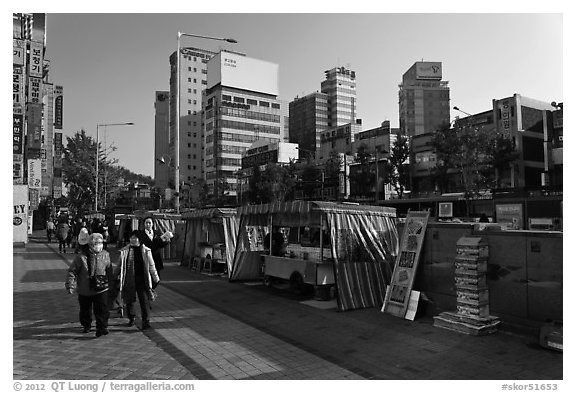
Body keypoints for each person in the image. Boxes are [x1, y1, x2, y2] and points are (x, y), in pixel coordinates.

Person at [65, 233, 114, 337]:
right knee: (85, 310)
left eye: (101, 243)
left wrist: (112, 284)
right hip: (85, 289)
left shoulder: (105, 255)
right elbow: (72, 271)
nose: (99, 245)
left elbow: (109, 270)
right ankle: (86, 325)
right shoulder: (81, 257)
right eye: (96, 243)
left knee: (102, 309)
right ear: (91, 244)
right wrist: (70, 285)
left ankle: (102, 328)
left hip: (101, 288)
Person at [116, 231, 160, 330]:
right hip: (129, 278)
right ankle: (131, 317)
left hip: (142, 278)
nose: (132, 239)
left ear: (139, 239)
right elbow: (119, 265)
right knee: (129, 299)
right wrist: (114, 276)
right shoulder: (125, 251)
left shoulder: (146, 251)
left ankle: (146, 321)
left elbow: (152, 266)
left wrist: (156, 278)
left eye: (135, 238)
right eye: (131, 238)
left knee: (144, 300)